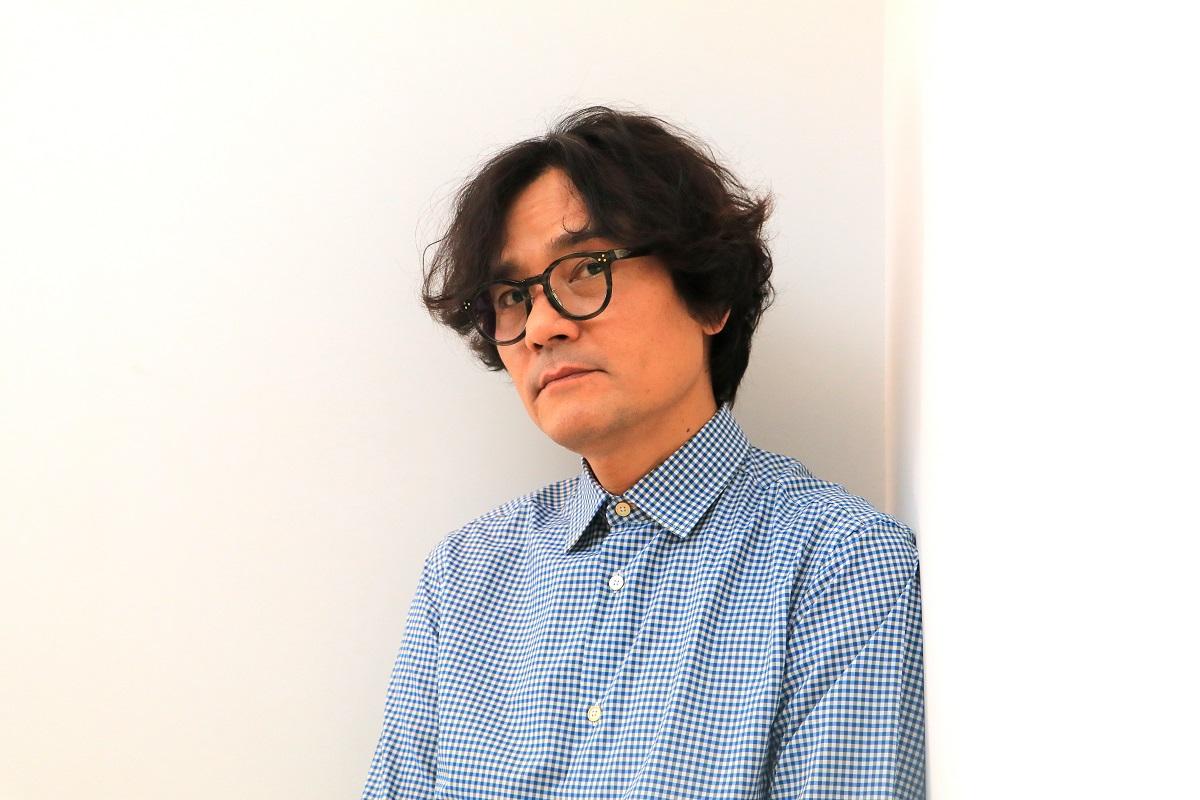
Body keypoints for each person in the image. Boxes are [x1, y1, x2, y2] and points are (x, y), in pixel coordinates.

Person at [362, 106, 924, 799]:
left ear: (708, 295)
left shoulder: (841, 567)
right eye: (511, 296)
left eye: (586, 268)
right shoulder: (463, 580)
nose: (540, 326)